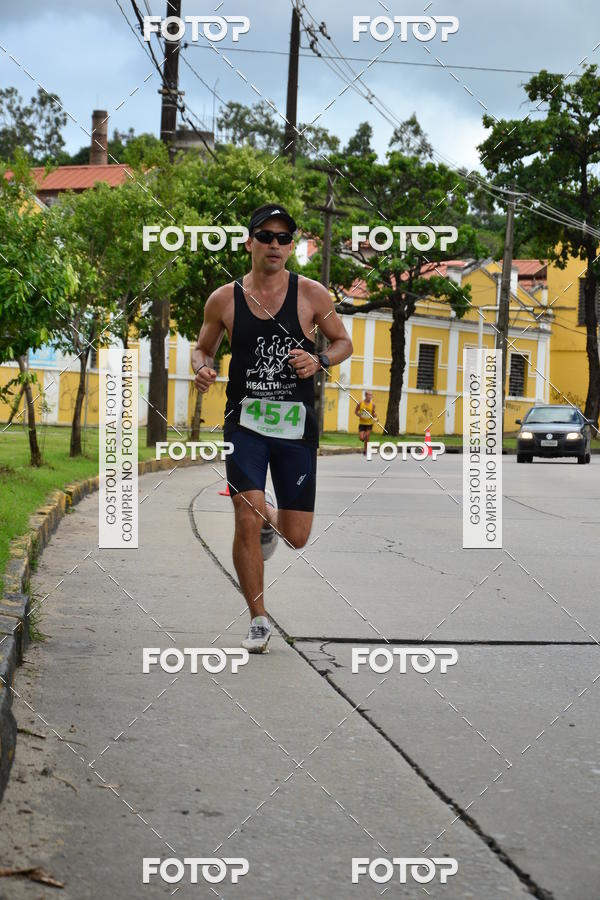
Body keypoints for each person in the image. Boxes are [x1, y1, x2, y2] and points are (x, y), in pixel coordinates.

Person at [191, 203, 353, 653]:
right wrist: (202, 370)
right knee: (248, 511)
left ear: (291, 246)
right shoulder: (224, 299)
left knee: (297, 537)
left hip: (295, 429)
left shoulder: (312, 296)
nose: (275, 245)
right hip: (245, 426)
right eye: (266, 236)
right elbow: (202, 349)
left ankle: (269, 524)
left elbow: (344, 342)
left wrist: (319, 359)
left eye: (284, 238)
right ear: (250, 243)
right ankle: (259, 619)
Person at [355, 391, 376, 455]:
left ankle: (365, 450)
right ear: (365, 395)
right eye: (369, 395)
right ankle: (366, 445)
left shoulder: (373, 404)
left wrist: (375, 415)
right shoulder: (360, 403)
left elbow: (373, 413)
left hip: (369, 423)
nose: (370, 396)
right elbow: (356, 411)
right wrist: (360, 415)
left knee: (367, 436)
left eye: (371, 395)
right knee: (361, 438)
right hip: (362, 423)